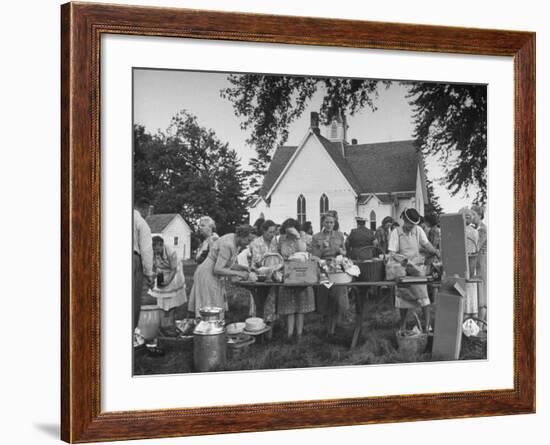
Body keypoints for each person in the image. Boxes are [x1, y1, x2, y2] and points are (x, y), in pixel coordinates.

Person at [388, 208, 439, 333]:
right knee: (403, 298)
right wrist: (403, 261)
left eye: (414, 224)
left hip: (417, 269)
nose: (412, 227)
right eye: (410, 224)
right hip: (403, 269)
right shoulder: (396, 232)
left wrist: (435, 252)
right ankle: (403, 326)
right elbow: (392, 252)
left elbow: (426, 244)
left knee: (424, 297)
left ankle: (427, 327)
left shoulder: (418, 230)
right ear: (404, 220)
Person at [188, 225, 256, 318]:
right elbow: (218, 269)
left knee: (217, 306)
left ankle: (215, 328)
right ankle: (207, 329)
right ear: (241, 236)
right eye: (248, 240)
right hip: (207, 274)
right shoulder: (228, 244)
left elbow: (226, 263)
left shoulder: (235, 240)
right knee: (210, 307)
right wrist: (238, 273)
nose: (248, 244)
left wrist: (243, 268)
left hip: (212, 274)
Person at [277, 218, 316, 341]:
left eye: (291, 231)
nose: (289, 235)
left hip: (301, 272)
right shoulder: (282, 239)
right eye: (287, 232)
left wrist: (297, 236)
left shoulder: (302, 236)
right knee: (289, 306)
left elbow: (303, 250)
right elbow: (280, 254)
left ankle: (299, 334)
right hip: (288, 272)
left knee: (301, 305)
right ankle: (289, 334)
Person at [312, 212, 348, 336]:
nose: (329, 224)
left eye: (331, 222)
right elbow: (314, 256)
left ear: (335, 223)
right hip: (324, 269)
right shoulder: (317, 237)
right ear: (323, 222)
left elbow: (344, 251)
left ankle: (337, 326)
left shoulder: (339, 235)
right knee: (326, 297)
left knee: (338, 296)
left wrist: (340, 251)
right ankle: (328, 328)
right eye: (327, 222)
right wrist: (322, 247)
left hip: (337, 269)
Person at [148, 236, 187, 336]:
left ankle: (170, 324)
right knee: (161, 299)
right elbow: (153, 267)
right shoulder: (152, 252)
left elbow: (173, 269)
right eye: (154, 250)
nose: (155, 252)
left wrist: (168, 282)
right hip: (162, 271)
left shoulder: (171, 252)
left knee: (171, 300)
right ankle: (162, 325)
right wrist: (152, 279)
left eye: (157, 249)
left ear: (161, 246)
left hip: (174, 272)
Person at [248, 219, 279, 322]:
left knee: (270, 303)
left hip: (272, 277)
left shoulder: (275, 243)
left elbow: (278, 259)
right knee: (259, 303)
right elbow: (257, 261)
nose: (273, 234)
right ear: (264, 231)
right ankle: (257, 325)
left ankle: (270, 332)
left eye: (274, 232)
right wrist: (268, 268)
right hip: (259, 278)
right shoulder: (256, 243)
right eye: (270, 232)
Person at [133, 198, 154, 332]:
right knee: (133, 299)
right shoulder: (141, 222)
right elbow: (146, 250)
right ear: (145, 210)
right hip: (133, 258)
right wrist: (149, 274)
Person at [471, 204, 487, 322]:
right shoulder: (475, 228)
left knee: (482, 292)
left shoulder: (482, 229)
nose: (471, 217)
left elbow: (477, 246)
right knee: (476, 290)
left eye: (474, 215)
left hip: (482, 261)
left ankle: (481, 325)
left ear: (480, 215)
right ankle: (478, 322)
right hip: (476, 261)